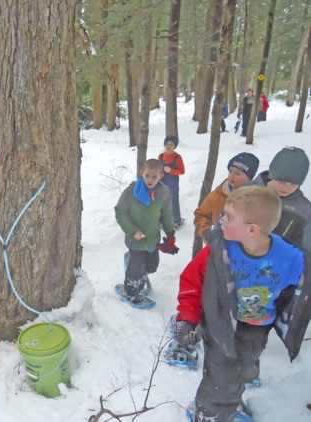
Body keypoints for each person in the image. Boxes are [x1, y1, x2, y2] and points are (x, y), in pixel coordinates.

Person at [172, 186, 310, 421]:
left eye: (228, 217)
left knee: (246, 370)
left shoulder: (292, 259)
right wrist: (187, 316)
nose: (221, 220)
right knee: (221, 375)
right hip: (219, 323)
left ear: (253, 229)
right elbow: (191, 281)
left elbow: (299, 292)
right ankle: (209, 412)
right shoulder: (219, 251)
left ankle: (230, 398)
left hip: (257, 327)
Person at [114, 159, 178, 306]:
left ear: (161, 176)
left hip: (152, 239)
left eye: (154, 177)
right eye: (147, 175)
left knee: (152, 266)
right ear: (142, 172)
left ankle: (138, 269)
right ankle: (131, 292)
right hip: (135, 240)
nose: (150, 180)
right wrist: (132, 230)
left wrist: (170, 234)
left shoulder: (164, 192)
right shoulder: (131, 192)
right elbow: (120, 212)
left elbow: (166, 214)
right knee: (136, 270)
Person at [250, 147, 311, 253]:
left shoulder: (304, 210)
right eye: (281, 181)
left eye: (293, 183)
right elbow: (222, 228)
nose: (286, 187)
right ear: (272, 174)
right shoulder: (246, 192)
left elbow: (306, 250)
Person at [194, 152, 259, 242]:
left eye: (238, 173)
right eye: (230, 171)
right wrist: (206, 233)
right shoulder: (218, 194)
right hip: (218, 247)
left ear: (249, 178)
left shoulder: (257, 199)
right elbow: (200, 214)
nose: (231, 176)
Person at [158, 135, 186, 230]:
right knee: (162, 201)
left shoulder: (177, 157)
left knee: (173, 200)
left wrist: (171, 171)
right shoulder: (161, 156)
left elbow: (182, 171)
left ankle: (176, 220)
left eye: (171, 144)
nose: (168, 146)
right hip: (162, 182)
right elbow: (157, 168)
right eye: (167, 144)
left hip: (172, 182)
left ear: (175, 146)